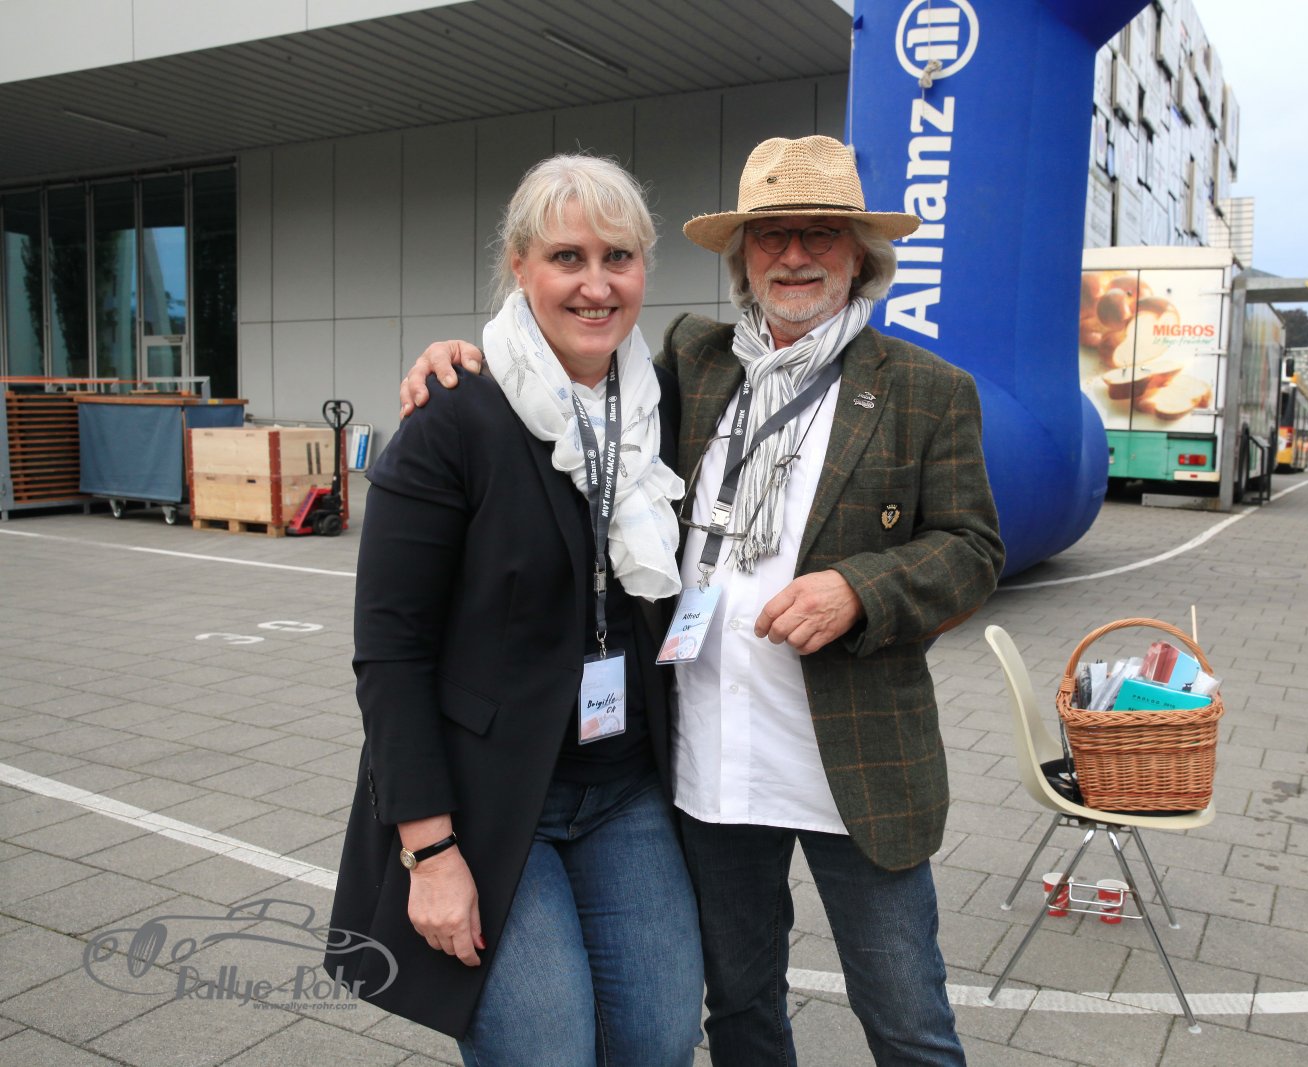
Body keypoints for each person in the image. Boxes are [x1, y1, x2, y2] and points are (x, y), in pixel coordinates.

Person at [402, 135, 1005, 1066]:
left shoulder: (927, 391)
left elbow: (974, 549)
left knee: (906, 1020)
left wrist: (861, 587)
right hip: (714, 767)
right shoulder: (694, 361)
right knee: (742, 1010)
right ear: (743, 257)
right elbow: (569, 373)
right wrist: (467, 355)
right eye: (771, 236)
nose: (794, 256)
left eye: (820, 234)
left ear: (859, 255)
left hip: (855, 765)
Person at [327, 154, 703, 1066]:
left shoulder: (662, 403)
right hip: (490, 801)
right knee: (546, 1049)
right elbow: (390, 652)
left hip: (625, 789)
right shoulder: (454, 416)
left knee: (658, 1041)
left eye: (618, 257)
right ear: (520, 266)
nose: (595, 284)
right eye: (567, 257)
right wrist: (429, 853)